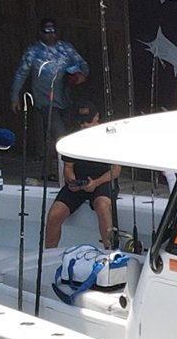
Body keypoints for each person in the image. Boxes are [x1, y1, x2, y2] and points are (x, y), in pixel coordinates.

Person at [45, 106, 119, 250]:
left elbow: (115, 171)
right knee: (54, 214)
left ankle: (109, 251)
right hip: (79, 182)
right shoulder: (73, 139)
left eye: (88, 121)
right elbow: (68, 168)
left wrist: (96, 183)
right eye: (81, 122)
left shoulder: (110, 138)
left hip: (102, 181)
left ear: (97, 117)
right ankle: (48, 253)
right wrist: (72, 181)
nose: (84, 125)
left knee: (102, 206)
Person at [10, 16, 90, 144]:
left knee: (69, 132)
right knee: (60, 133)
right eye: (47, 31)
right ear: (41, 33)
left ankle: (55, 162)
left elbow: (82, 64)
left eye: (53, 31)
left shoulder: (66, 48)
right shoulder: (33, 51)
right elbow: (21, 73)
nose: (51, 34)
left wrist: (82, 75)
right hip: (45, 100)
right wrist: (15, 96)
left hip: (66, 98)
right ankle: (62, 163)